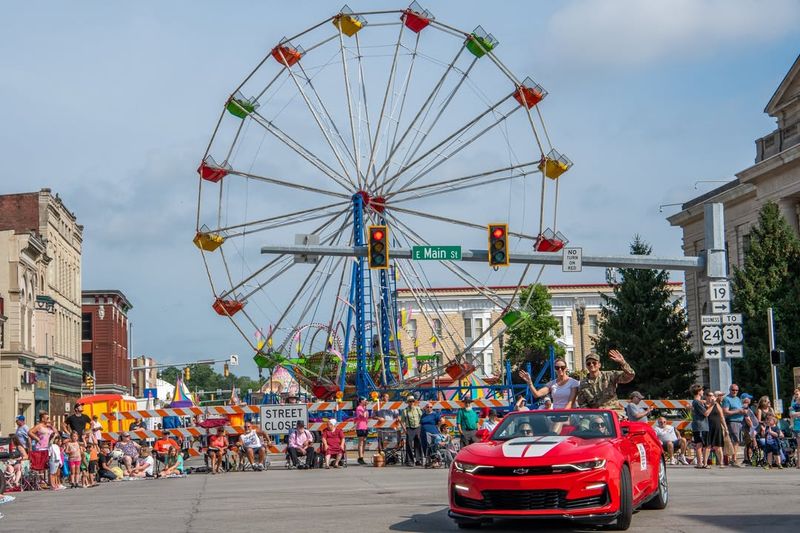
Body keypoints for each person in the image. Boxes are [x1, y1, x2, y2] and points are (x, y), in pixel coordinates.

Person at [721, 383, 745, 467]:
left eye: (736, 390)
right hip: (732, 421)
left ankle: (733, 458)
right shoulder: (727, 399)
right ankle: (733, 459)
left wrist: (743, 411)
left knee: (737, 441)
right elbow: (725, 411)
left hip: (739, 422)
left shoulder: (738, 399)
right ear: (729, 390)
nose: (734, 391)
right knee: (734, 441)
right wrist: (738, 411)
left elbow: (740, 408)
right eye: (733, 390)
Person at [400, 394, 423, 466]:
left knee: (418, 444)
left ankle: (418, 460)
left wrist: (421, 427)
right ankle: (410, 460)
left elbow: (421, 418)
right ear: (408, 402)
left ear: (414, 402)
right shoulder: (405, 411)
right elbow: (402, 421)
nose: (411, 403)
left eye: (412, 401)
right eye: (410, 401)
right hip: (409, 428)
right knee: (409, 445)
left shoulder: (417, 409)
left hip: (417, 427)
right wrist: (404, 430)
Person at [705, 390, 726, 468]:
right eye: (719, 395)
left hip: (717, 427)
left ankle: (721, 463)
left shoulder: (717, 405)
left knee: (718, 446)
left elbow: (722, 416)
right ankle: (705, 463)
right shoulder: (705, 404)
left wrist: (725, 428)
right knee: (708, 446)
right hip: (708, 427)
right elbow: (705, 414)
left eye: (721, 395)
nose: (721, 397)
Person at [689, 384, 709, 467]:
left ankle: (701, 463)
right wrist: (712, 405)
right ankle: (701, 463)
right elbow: (706, 413)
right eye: (702, 390)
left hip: (699, 425)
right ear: (698, 392)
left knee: (700, 444)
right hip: (701, 426)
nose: (703, 392)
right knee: (700, 444)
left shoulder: (697, 402)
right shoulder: (697, 402)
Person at [740, 394, 759, 464]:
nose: (750, 400)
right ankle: (748, 458)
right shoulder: (744, 407)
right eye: (749, 398)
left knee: (748, 444)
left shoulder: (747, 407)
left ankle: (746, 458)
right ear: (745, 399)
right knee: (750, 444)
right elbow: (747, 419)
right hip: (748, 428)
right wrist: (752, 429)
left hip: (749, 428)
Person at [354, 397, 370, 465]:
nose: (366, 401)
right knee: (361, 442)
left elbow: (367, 417)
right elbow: (363, 416)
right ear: (361, 401)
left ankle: (362, 457)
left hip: (365, 426)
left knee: (364, 442)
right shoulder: (359, 408)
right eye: (365, 400)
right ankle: (360, 457)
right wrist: (365, 408)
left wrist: (365, 408)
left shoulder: (364, 408)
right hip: (360, 426)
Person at [790, 388, 800, 469]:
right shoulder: (794, 405)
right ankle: (798, 463)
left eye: (797, 394)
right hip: (797, 426)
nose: (796, 396)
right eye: (795, 394)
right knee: (799, 445)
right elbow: (792, 414)